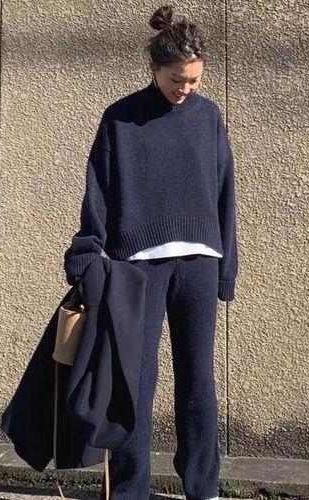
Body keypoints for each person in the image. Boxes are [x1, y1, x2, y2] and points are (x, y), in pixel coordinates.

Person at [63, 5, 238, 499]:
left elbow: (225, 192)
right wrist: (86, 251)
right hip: (137, 269)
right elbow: (99, 189)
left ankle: (203, 486)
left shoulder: (208, 117)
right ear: (153, 68)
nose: (186, 88)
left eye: (195, 79)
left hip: (199, 265)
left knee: (198, 382)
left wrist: (227, 266)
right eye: (177, 79)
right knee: (134, 383)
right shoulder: (121, 118)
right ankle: (129, 491)